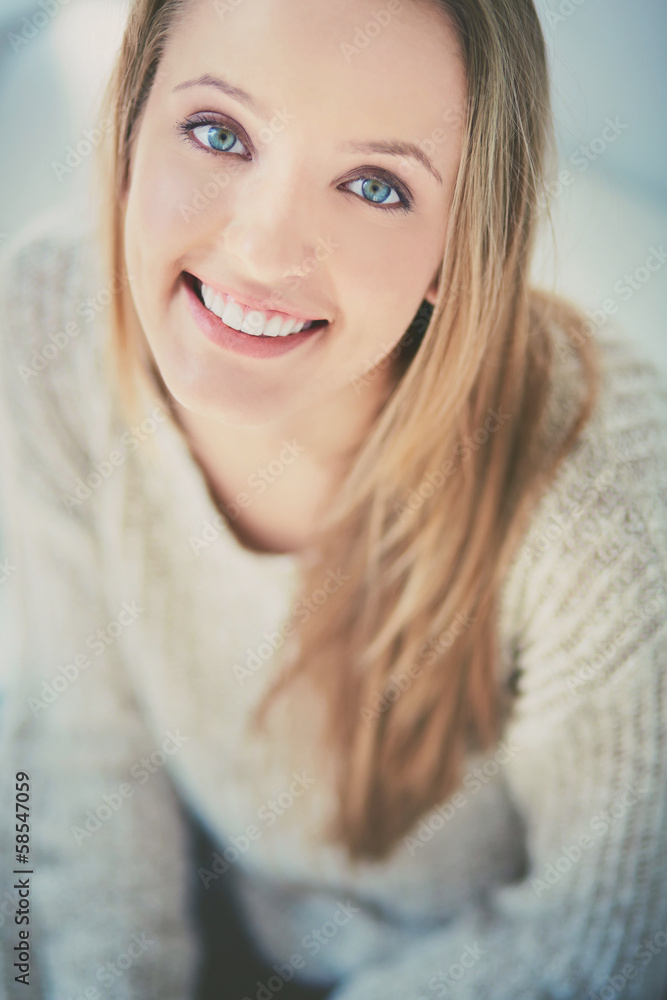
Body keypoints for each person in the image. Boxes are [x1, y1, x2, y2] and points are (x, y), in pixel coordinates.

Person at [0, 0, 666, 997]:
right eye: (218, 132)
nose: (264, 252)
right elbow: (87, 761)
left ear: (460, 242)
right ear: (131, 122)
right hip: (209, 904)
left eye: (374, 186)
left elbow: (600, 939)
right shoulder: (48, 324)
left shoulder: (601, 498)